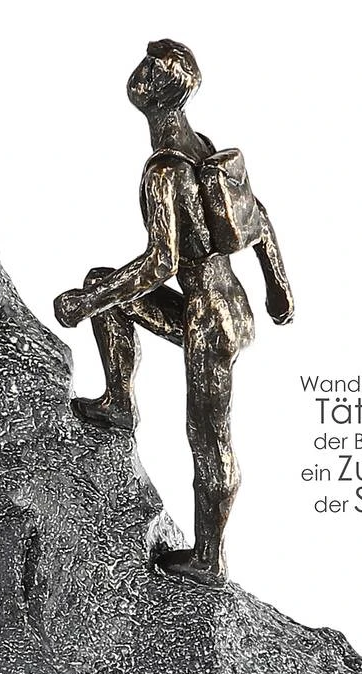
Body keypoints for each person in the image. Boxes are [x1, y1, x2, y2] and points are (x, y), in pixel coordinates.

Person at [54, 39, 293, 585]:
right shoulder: (199, 145)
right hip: (220, 305)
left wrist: (85, 305)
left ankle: (209, 558)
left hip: (209, 321)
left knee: (208, 438)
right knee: (104, 284)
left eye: (146, 69)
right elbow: (259, 217)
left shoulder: (165, 169)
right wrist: (278, 290)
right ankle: (118, 402)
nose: (136, 74)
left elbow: (160, 263)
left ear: (157, 92)